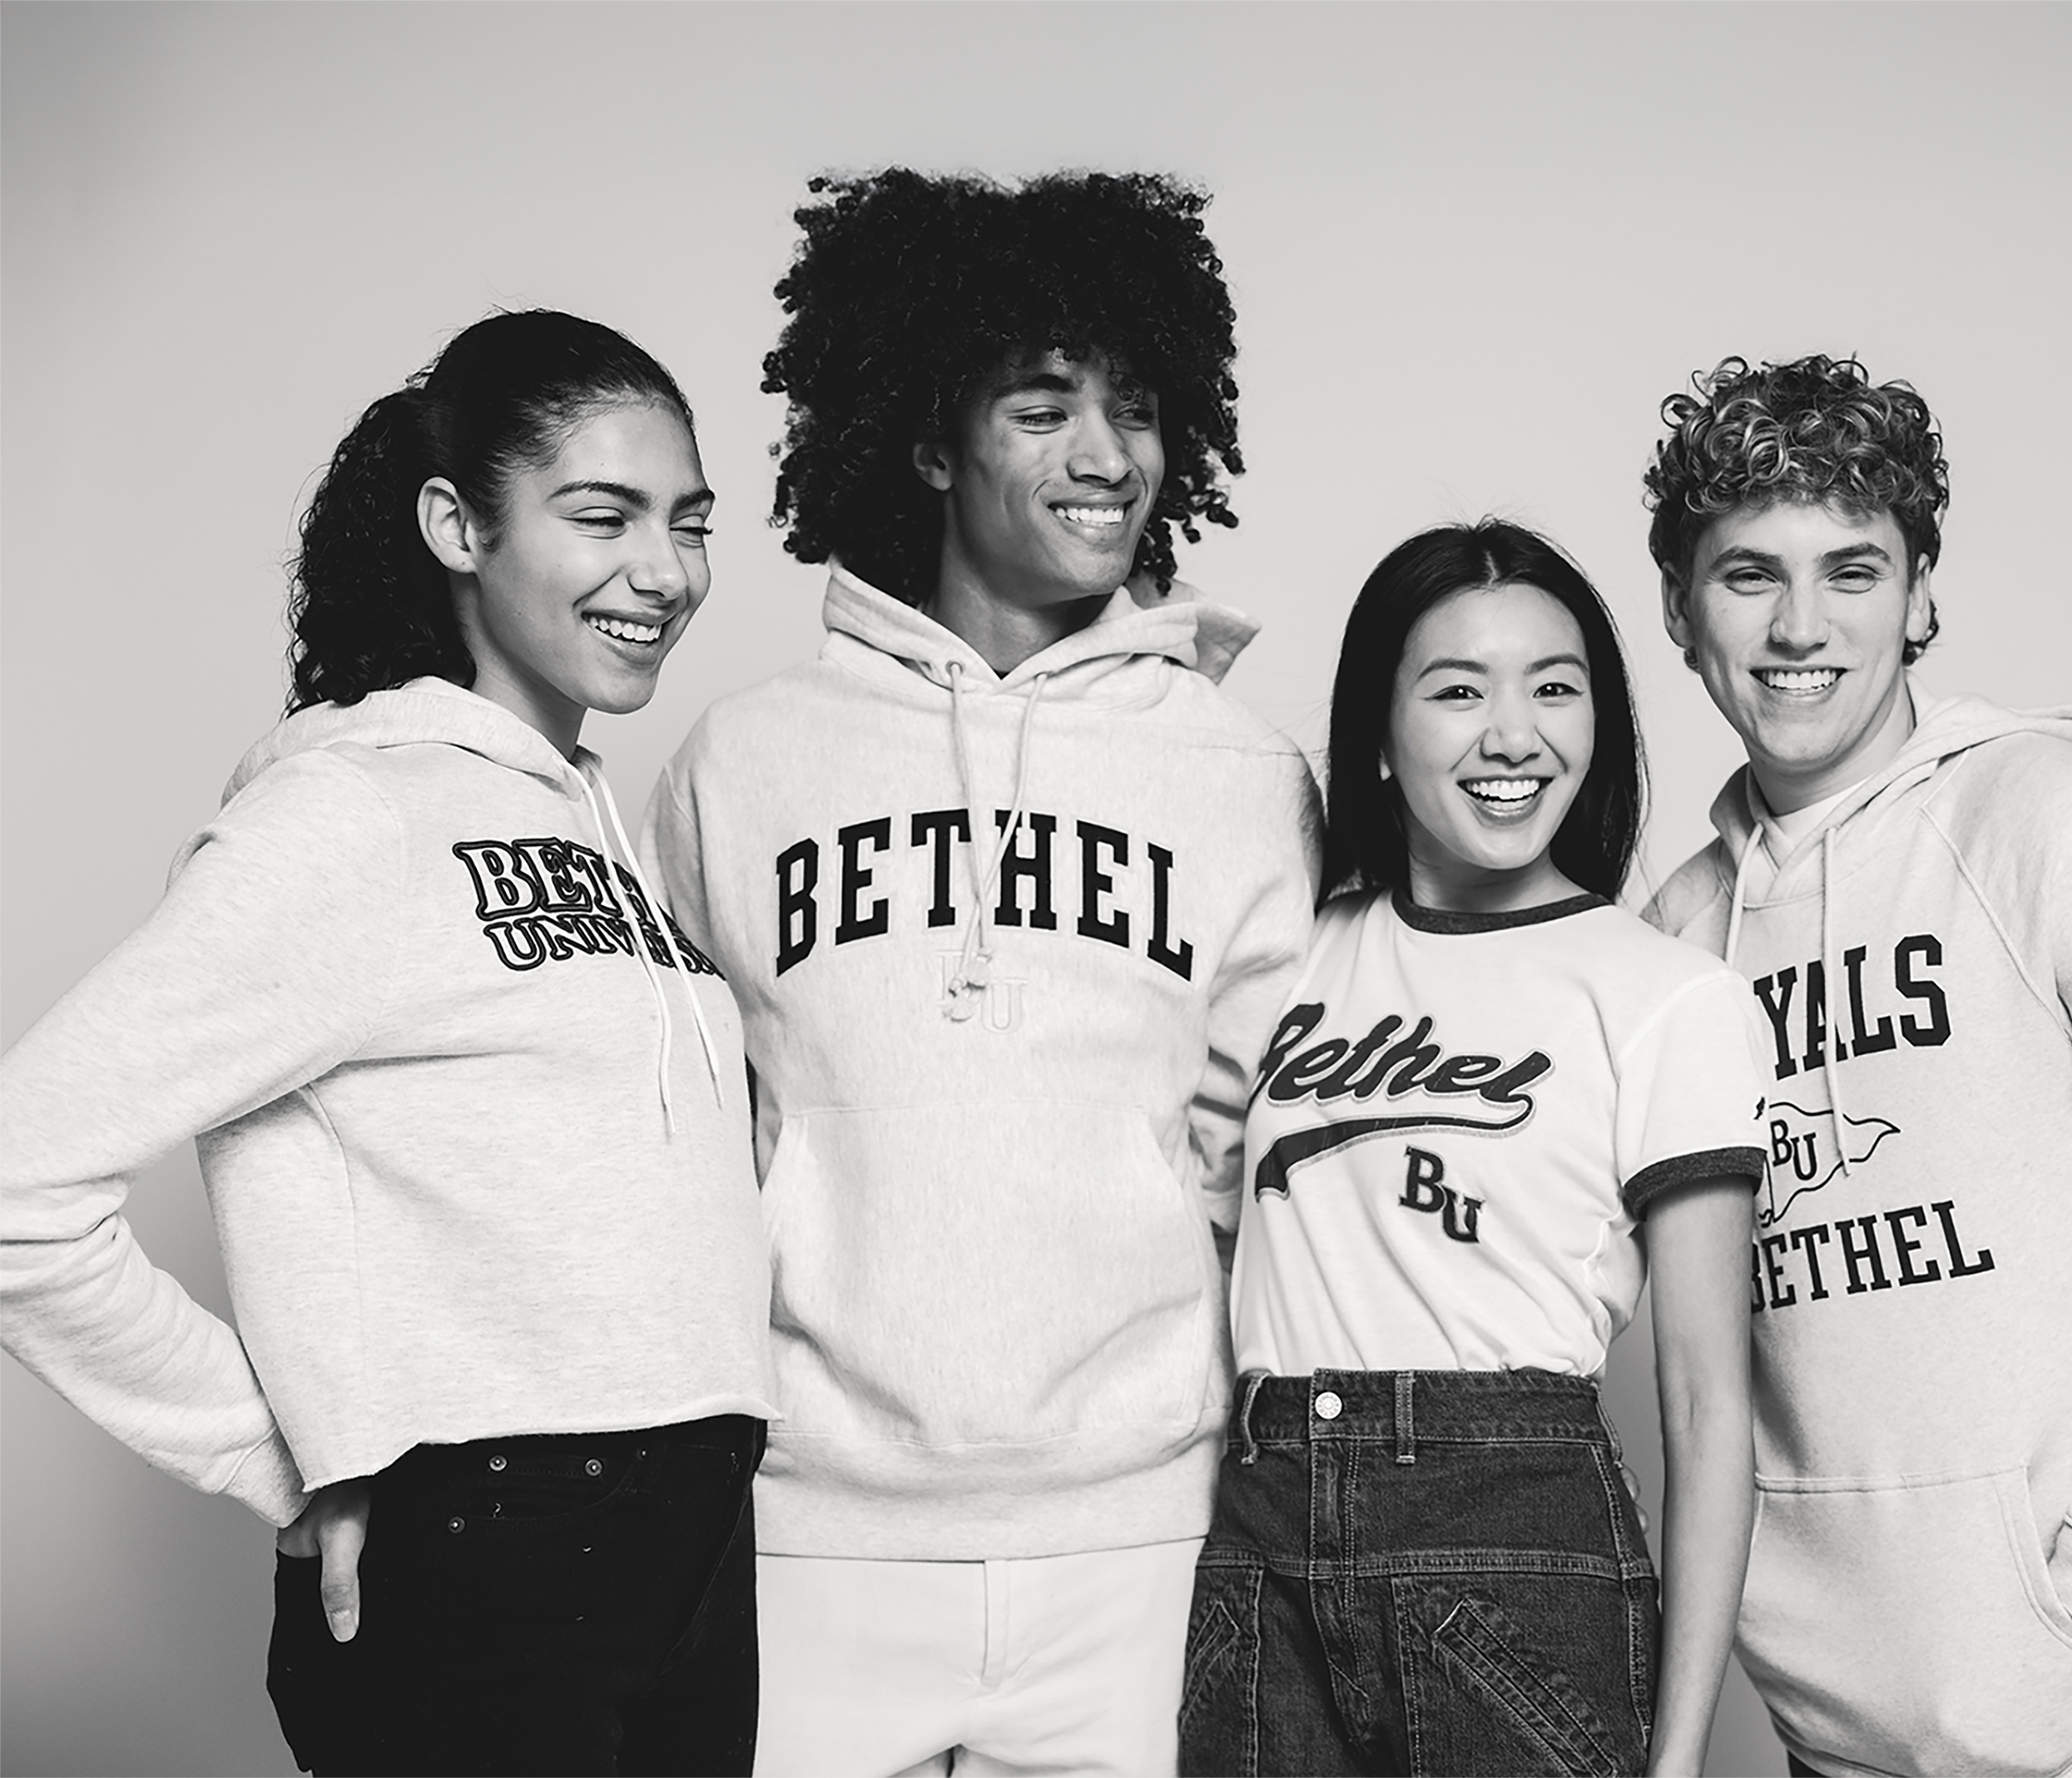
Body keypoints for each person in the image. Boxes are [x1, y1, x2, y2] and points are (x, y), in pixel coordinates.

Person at [0, 310, 778, 1776]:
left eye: (688, 522)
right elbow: (17, 1177)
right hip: (487, 1559)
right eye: (601, 516)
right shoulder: (348, 817)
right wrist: (271, 1450)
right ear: (455, 526)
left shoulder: (596, 820)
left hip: (693, 1539)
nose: (664, 573)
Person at [646, 170, 1318, 1776]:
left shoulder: (1241, 775)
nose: (1106, 457)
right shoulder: (742, 763)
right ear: (934, 440)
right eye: (1044, 408)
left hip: (1140, 1532)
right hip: (809, 1533)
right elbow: (668, 1146)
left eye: (1138, 410)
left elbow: (1260, 1157)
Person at [1640, 353, 2072, 1778]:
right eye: (1747, 575)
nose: (1799, 626)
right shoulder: (1677, 941)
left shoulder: (2063, 831)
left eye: (1852, 570)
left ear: (1918, 600)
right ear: (1679, 607)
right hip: (1840, 1732)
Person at [1183, 521, 1765, 1778]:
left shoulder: (1666, 996)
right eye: (1457, 690)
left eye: (1557, 689)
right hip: (1258, 1539)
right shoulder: (1284, 950)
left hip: (1513, 1542)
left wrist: (1681, 1761)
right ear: (1379, 734)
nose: (1515, 735)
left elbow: (1711, 1404)